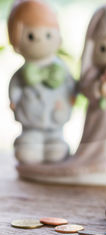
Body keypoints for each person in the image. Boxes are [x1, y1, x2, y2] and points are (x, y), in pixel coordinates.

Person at [17, 2, 106, 185]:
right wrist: (99, 89)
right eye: (103, 48)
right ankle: (90, 161)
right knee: (93, 144)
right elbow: (86, 89)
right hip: (96, 123)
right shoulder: (95, 76)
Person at [8, 0, 76, 164]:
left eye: (48, 34)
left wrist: (71, 97)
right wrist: (14, 100)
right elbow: (14, 87)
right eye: (31, 36)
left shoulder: (60, 69)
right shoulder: (23, 73)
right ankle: (29, 142)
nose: (40, 40)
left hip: (56, 116)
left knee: (56, 152)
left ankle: (55, 142)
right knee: (28, 152)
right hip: (31, 117)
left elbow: (71, 85)